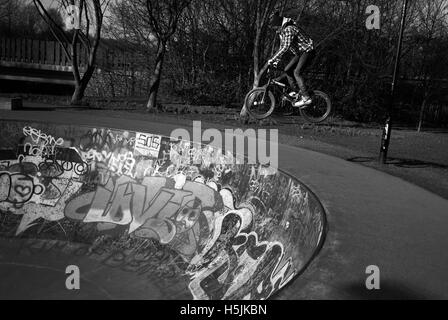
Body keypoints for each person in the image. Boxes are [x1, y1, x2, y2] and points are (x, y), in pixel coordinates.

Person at [268, 11, 316, 107]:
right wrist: (276, 61)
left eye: (275, 28)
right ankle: (297, 92)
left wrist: (272, 59)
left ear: (278, 25)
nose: (275, 30)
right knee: (287, 70)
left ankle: (306, 97)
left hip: (307, 51)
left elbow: (285, 47)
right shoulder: (282, 32)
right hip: (299, 53)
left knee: (296, 72)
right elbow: (281, 47)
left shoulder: (289, 29)